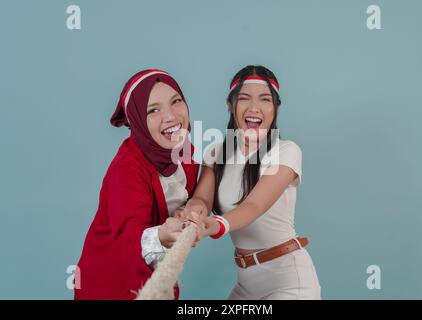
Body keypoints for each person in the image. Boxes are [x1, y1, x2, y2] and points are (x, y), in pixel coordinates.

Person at [182, 65, 321, 299]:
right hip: (247, 284)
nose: (254, 107)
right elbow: (202, 198)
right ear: (230, 104)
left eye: (265, 99)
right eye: (244, 98)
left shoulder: (286, 151)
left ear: (275, 108)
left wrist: (214, 225)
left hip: (289, 281)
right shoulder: (216, 152)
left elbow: (254, 206)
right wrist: (193, 214)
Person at [75, 69, 201, 300]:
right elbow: (129, 241)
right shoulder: (126, 169)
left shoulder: (186, 152)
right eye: (153, 110)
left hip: (158, 276)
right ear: (136, 121)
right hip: (113, 284)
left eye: (176, 102)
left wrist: (191, 208)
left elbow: (192, 195)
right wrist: (162, 235)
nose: (171, 116)